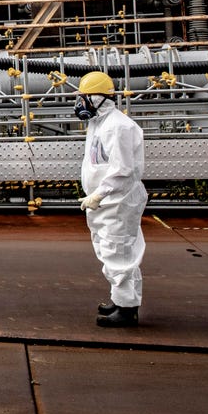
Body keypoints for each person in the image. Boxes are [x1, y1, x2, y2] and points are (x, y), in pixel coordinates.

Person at [74, 70, 147, 328]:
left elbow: (123, 170)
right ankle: (120, 300)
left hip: (118, 200)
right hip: (105, 202)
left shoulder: (118, 126)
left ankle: (128, 310)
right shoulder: (99, 124)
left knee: (119, 251)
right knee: (109, 250)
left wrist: (98, 194)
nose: (81, 103)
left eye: (85, 97)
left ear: (100, 98)